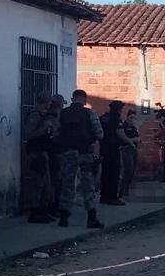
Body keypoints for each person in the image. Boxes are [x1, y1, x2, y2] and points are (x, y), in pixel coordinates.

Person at [57, 89, 104, 229]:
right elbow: (99, 133)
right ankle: (91, 217)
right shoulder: (90, 113)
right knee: (88, 185)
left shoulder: (63, 113)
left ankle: (64, 217)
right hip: (85, 152)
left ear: (72, 99)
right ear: (84, 100)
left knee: (67, 183)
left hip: (67, 152)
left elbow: (56, 132)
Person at [24, 93, 54, 223]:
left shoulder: (43, 116)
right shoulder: (34, 116)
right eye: (48, 103)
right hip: (36, 154)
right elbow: (28, 134)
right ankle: (35, 212)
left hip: (43, 153)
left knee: (46, 185)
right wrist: (44, 128)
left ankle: (42, 211)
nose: (49, 105)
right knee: (37, 184)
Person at [100, 101, 133, 205]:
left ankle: (104, 196)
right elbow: (121, 134)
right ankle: (113, 197)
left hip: (104, 148)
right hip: (113, 149)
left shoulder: (103, 118)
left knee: (105, 173)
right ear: (119, 109)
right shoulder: (116, 119)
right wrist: (131, 142)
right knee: (114, 173)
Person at [47, 94, 66, 217]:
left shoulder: (54, 116)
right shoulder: (53, 117)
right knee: (55, 180)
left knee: (56, 180)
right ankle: (53, 207)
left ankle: (54, 206)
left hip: (55, 151)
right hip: (54, 151)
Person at [119, 108, 140, 198]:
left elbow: (138, 137)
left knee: (133, 170)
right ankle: (122, 190)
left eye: (134, 118)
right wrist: (133, 140)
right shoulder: (123, 126)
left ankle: (126, 188)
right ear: (127, 117)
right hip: (126, 149)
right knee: (128, 169)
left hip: (134, 149)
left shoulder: (134, 127)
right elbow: (123, 138)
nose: (133, 120)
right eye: (131, 117)